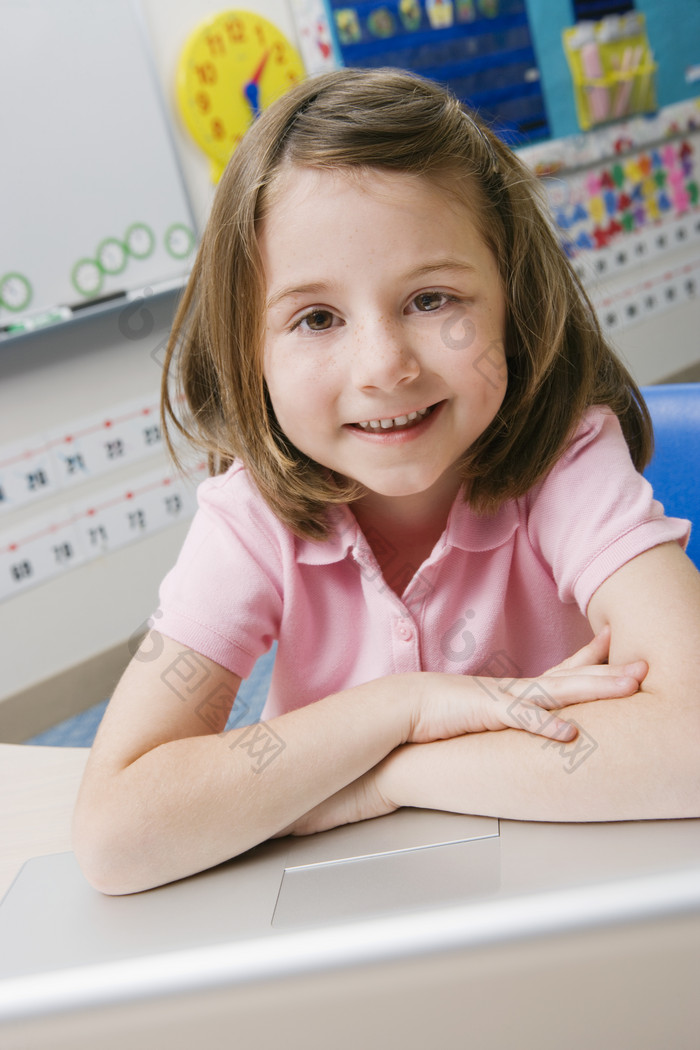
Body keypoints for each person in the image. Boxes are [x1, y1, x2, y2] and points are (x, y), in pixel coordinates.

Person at [73, 68, 700, 895]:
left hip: (567, 890)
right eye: (316, 318)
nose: (384, 367)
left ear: (513, 300)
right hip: (354, 905)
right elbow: (116, 835)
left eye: (432, 299)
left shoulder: (567, 462)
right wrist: (402, 708)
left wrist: (388, 776)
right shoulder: (247, 519)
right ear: (247, 348)